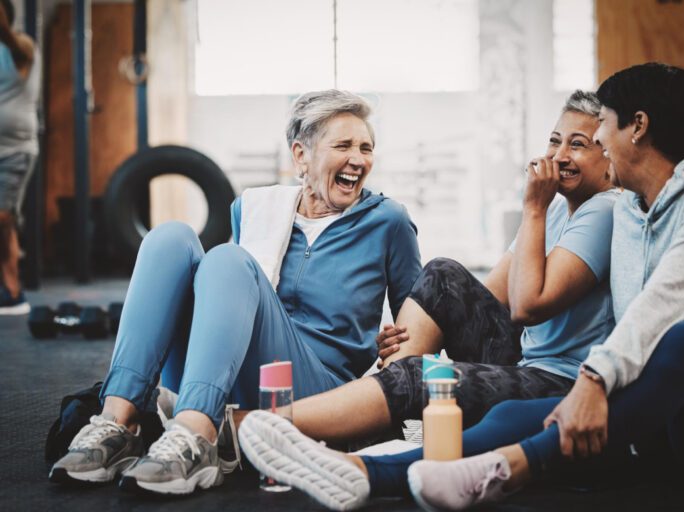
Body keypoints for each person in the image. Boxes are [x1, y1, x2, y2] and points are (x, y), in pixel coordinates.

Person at [241, 63, 684, 511]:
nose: (595, 143)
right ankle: (363, 462)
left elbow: (655, 309)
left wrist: (592, 381)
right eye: (559, 139)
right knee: (492, 389)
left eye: (598, 129)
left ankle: (314, 431)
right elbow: (492, 298)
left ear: (637, 127)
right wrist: (420, 334)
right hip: (650, 402)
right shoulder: (633, 204)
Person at [49, 89, 422, 495]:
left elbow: (420, 325)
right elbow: (243, 305)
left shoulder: (388, 221)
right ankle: (118, 423)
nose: (358, 159)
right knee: (170, 237)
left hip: (319, 391)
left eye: (366, 147)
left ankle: (195, 435)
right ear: (301, 155)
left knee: (228, 259)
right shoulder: (253, 209)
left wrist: (396, 347)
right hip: (233, 372)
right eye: (344, 145)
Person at [233, 90, 618, 450]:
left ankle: (253, 426)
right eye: (555, 141)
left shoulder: (602, 208)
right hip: (522, 357)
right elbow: (484, 299)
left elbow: (527, 307)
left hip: (562, 378)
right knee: (443, 275)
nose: (560, 155)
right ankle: (384, 403)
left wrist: (532, 207)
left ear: (609, 159)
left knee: (419, 379)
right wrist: (408, 333)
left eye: (579, 145)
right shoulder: (553, 210)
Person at [0, 0, 39, 314]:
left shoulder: (21, 46)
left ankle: (13, 290)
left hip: (16, 150)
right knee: (6, 222)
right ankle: (12, 292)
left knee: (2, 218)